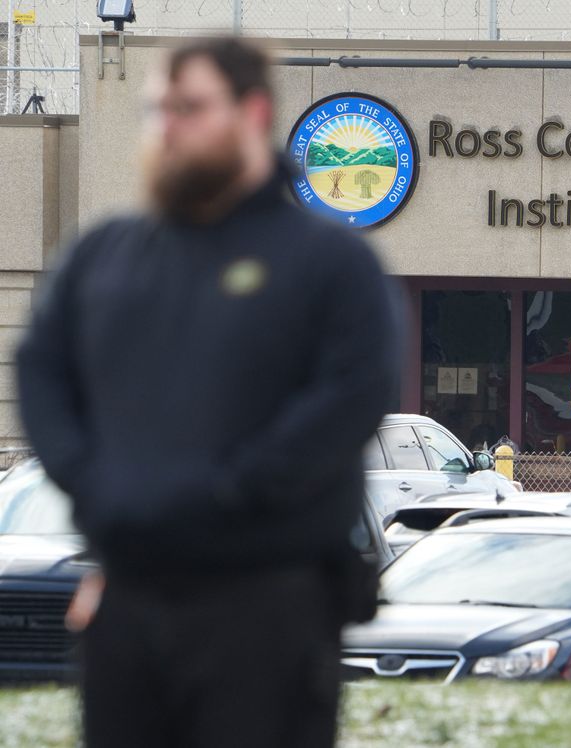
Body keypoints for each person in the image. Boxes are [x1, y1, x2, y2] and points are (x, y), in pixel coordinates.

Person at [17, 38, 403, 748]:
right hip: (128, 601)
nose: (167, 126)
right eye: (158, 109)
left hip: (267, 609)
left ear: (252, 112)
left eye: (190, 107)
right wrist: (96, 485)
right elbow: (41, 372)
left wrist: (223, 492)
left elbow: (352, 395)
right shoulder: (105, 255)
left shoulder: (330, 262)